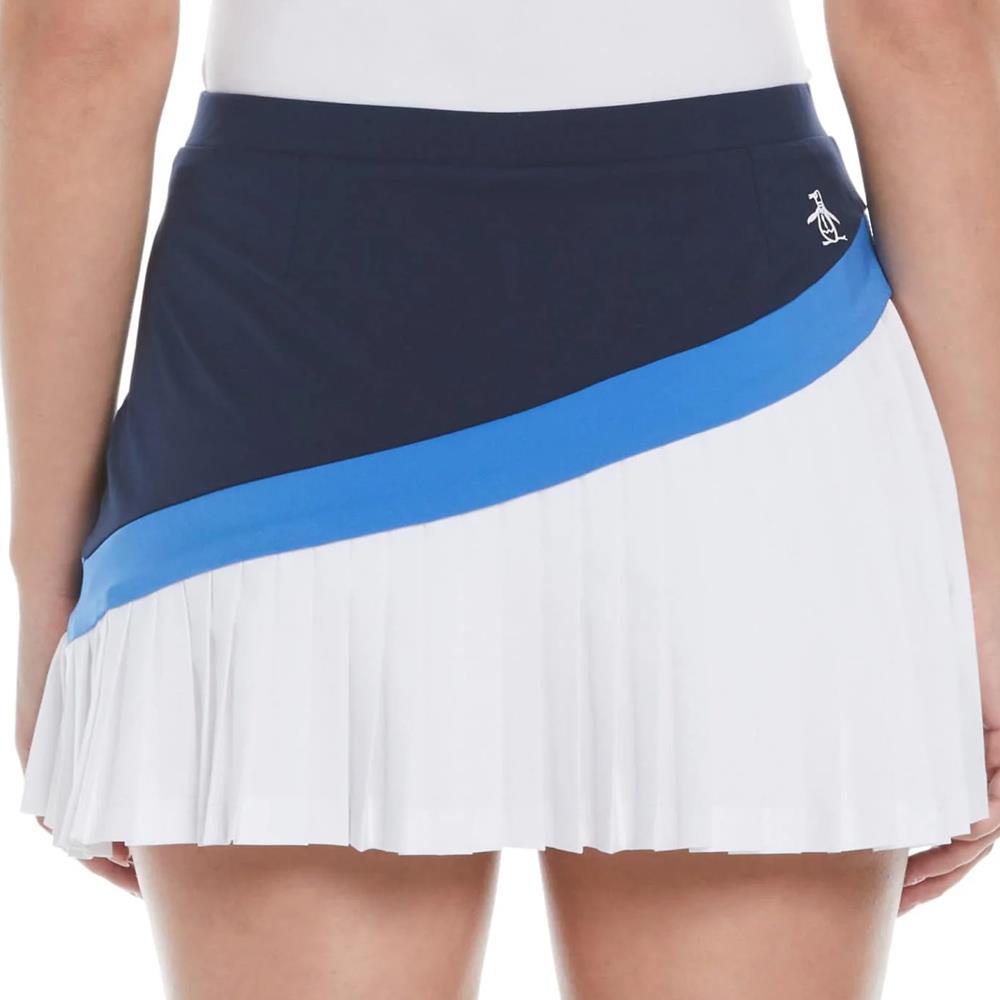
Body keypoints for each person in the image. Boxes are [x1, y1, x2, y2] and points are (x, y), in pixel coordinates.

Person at [3, 1, 998, 997]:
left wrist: (46, 576)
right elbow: (922, 26)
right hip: (754, 339)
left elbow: (84, 36)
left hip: (279, 365)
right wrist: (984, 582)